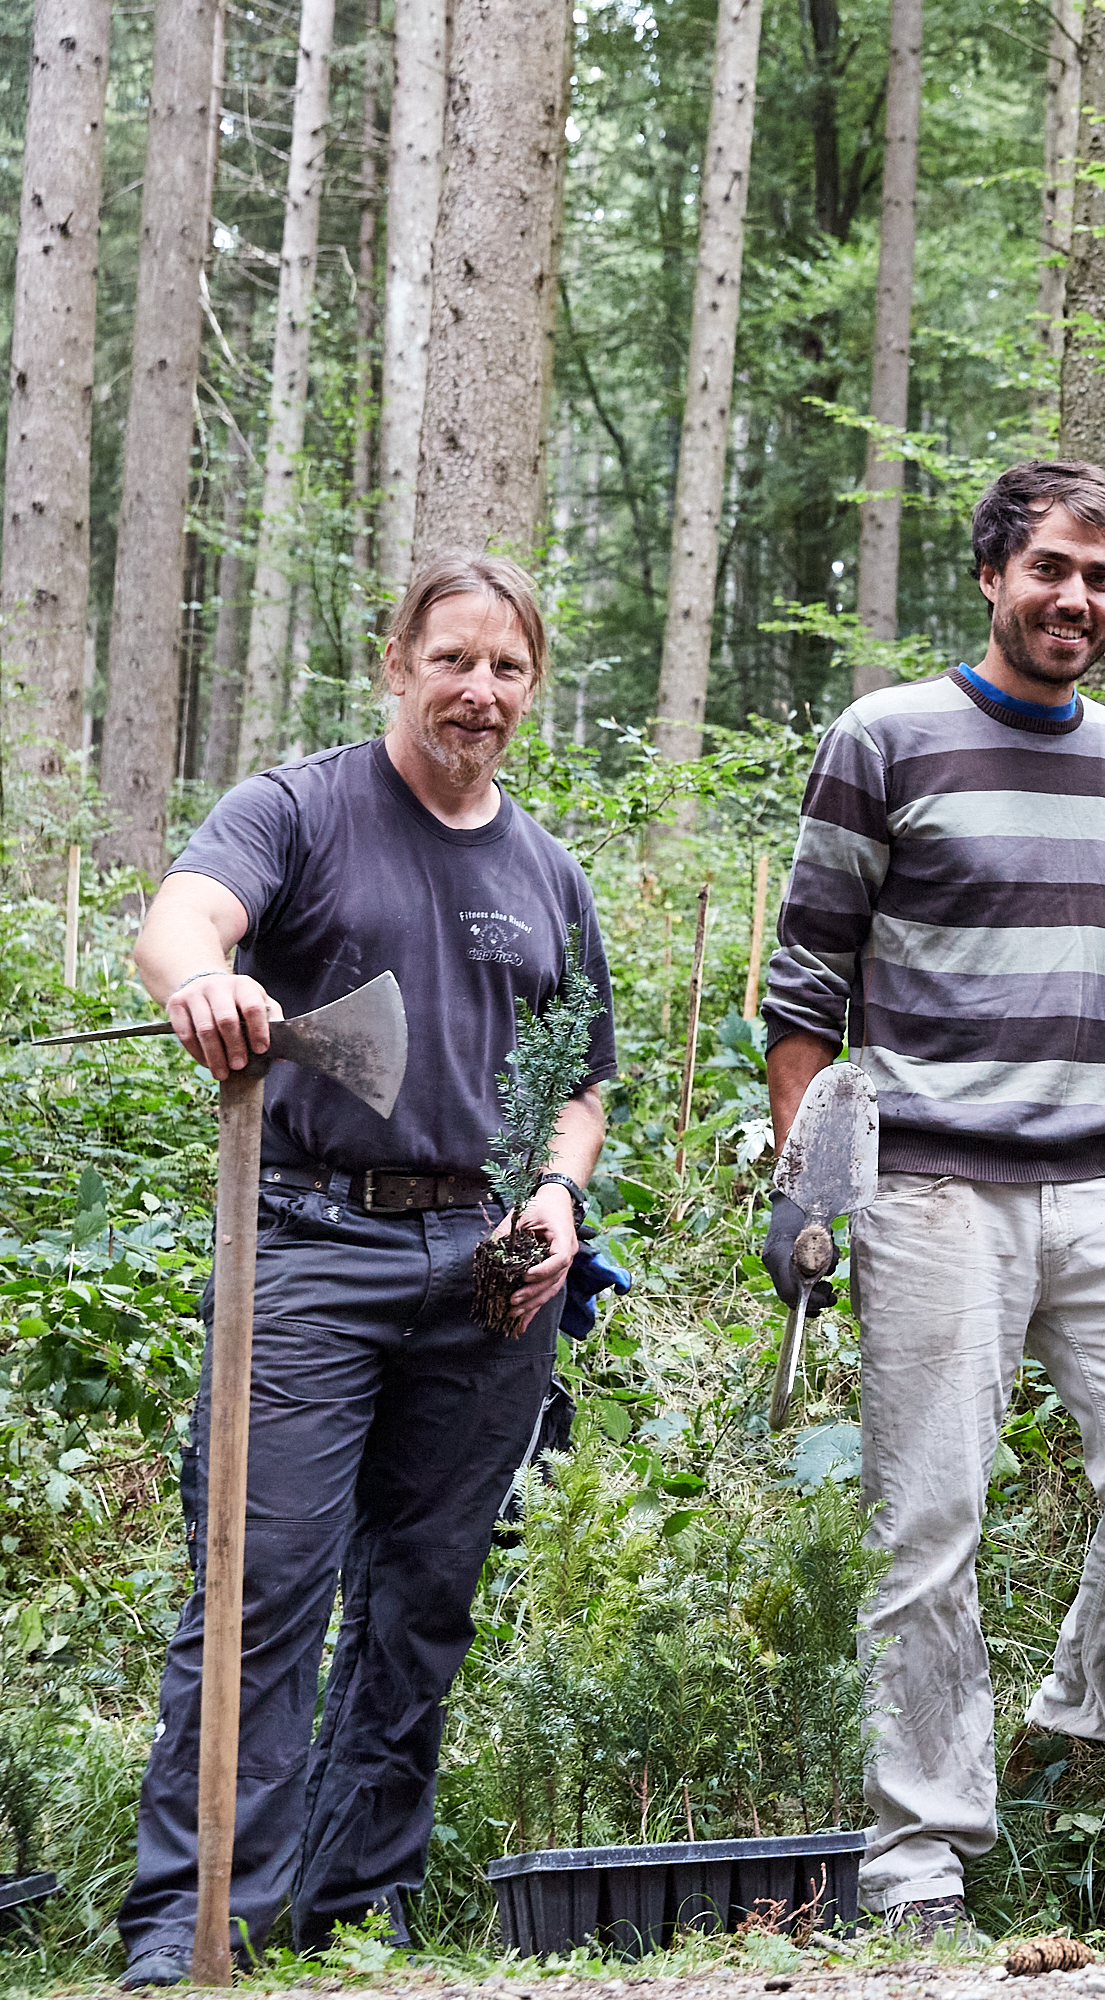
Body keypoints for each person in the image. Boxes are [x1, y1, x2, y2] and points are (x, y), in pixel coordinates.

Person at [115, 554, 617, 1984]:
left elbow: (580, 1079)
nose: (480, 691)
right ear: (395, 661)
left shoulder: (547, 874)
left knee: (423, 1601)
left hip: (485, 1272)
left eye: (507, 669)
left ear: (531, 687)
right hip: (309, 1246)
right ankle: (191, 1931)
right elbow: (182, 915)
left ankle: (355, 1916)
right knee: (261, 1584)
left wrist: (557, 1194)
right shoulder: (302, 807)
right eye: (452, 659)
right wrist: (203, 980)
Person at [761, 460, 1105, 1940]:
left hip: (1101, 1178)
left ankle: (1088, 1730)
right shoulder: (884, 737)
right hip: (931, 1186)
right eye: (1050, 573)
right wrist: (807, 1183)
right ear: (991, 578)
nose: (1075, 601)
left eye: (1099, 579)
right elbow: (805, 984)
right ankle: (920, 1855)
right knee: (933, 1523)